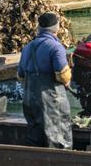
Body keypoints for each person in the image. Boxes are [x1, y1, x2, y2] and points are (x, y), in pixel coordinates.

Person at [17, 12, 73, 149]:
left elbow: (20, 75)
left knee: (35, 139)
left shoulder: (27, 48)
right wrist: (68, 83)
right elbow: (63, 75)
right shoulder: (55, 47)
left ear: (39, 28)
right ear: (57, 28)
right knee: (59, 140)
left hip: (29, 100)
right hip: (51, 102)